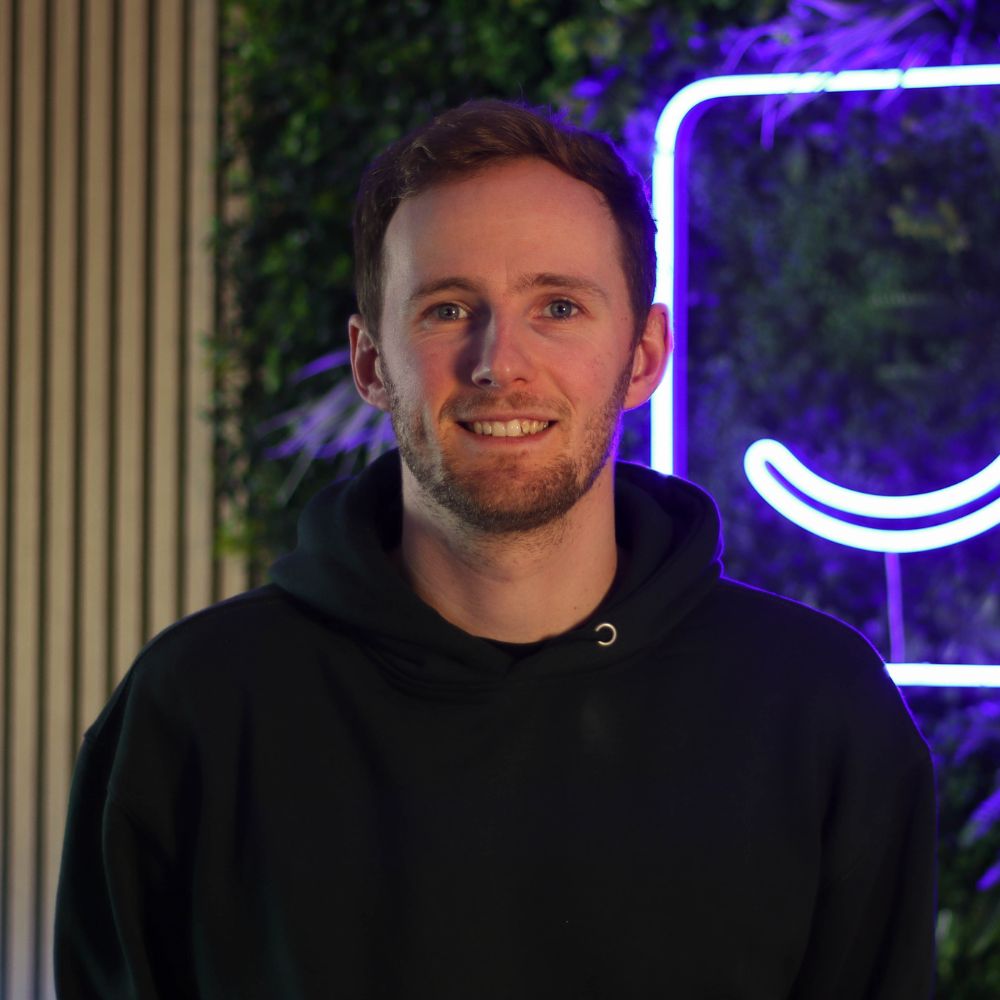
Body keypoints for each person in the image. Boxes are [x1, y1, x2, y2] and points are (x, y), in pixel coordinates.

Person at [55, 99, 936, 999]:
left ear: (644, 356)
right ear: (371, 363)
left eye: (557, 305)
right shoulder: (195, 709)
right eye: (446, 309)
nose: (498, 361)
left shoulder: (820, 711)